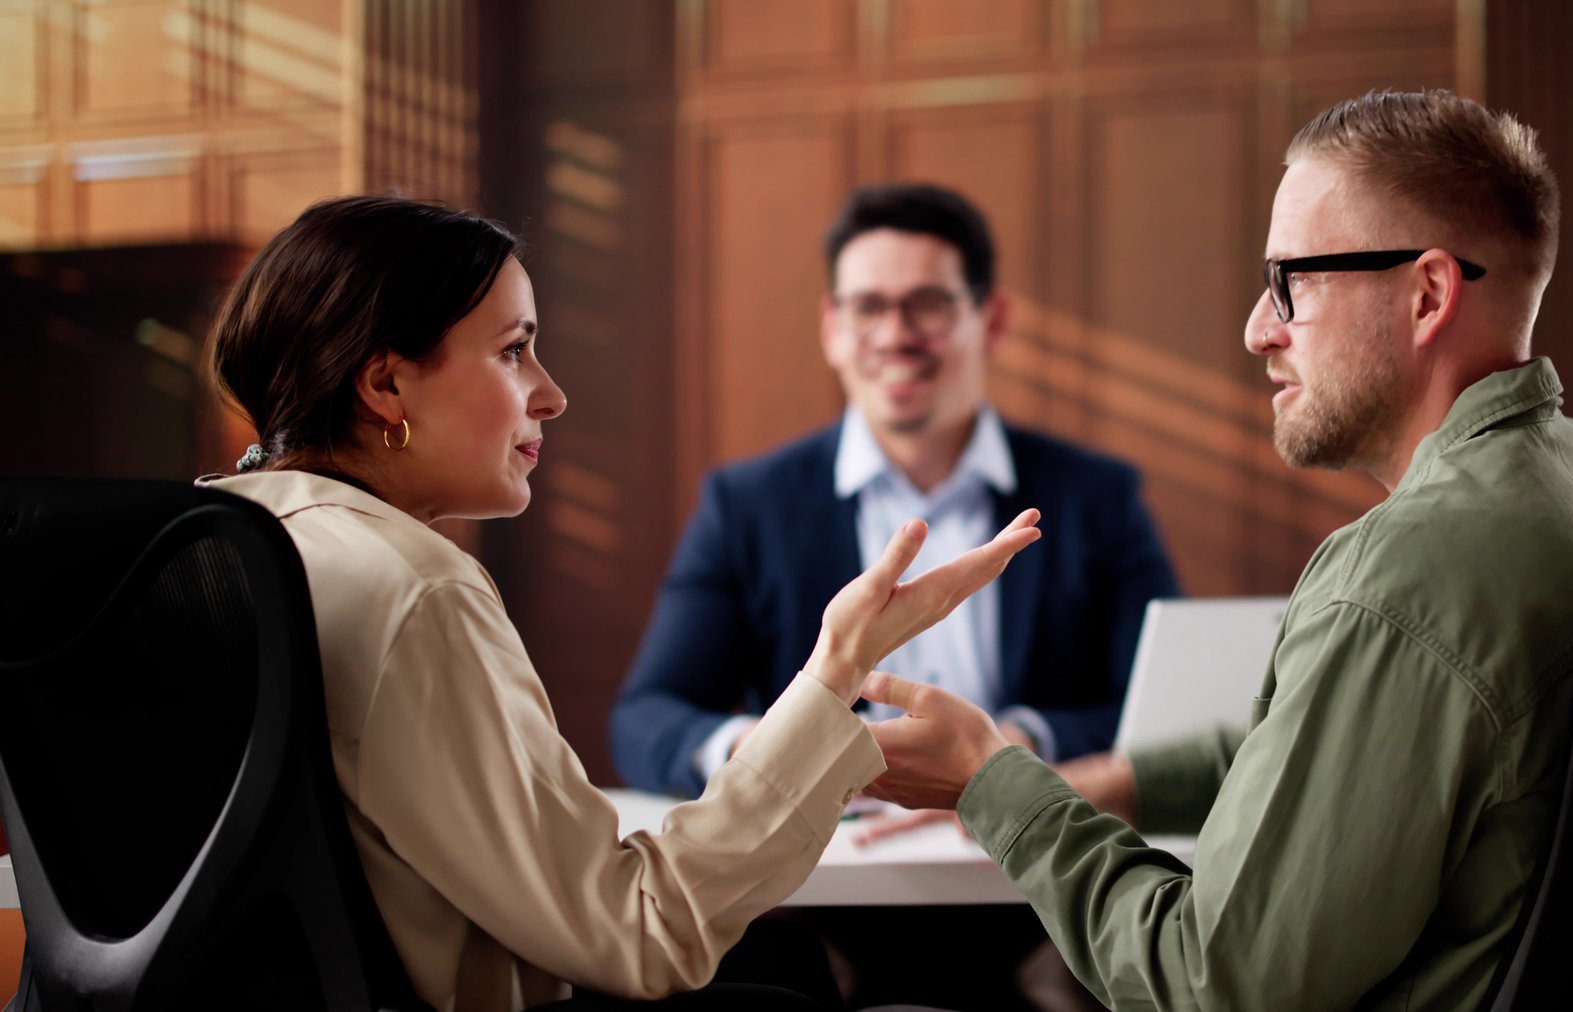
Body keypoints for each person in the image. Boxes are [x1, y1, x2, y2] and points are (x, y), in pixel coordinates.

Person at [856, 89, 1573, 1011]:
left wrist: (994, 785)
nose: (1257, 329)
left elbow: (1212, 982)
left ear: (1427, 294)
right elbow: (1390, 753)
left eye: (1289, 283)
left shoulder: (1407, 576)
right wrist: (1122, 779)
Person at [199, 194, 1040, 1011]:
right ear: (385, 386)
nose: (550, 394)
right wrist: (838, 669)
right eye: (512, 352)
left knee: (775, 955)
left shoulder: (202, 544)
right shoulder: (415, 589)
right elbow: (638, 932)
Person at [608, 183, 1178, 799]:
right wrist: (765, 750)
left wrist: (1020, 743)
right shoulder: (746, 505)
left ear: (993, 321)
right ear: (832, 327)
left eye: (927, 304)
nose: (894, 335)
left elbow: (1165, 709)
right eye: (867, 308)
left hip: (1030, 870)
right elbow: (646, 720)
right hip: (824, 876)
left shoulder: (1098, 498)